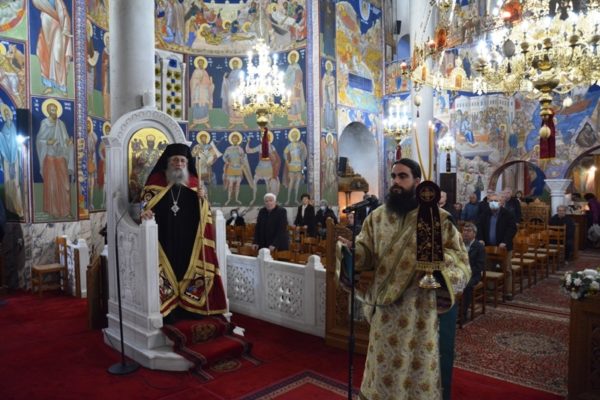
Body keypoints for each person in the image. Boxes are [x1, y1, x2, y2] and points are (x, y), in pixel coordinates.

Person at [337, 158, 470, 400]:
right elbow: (367, 252)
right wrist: (353, 252)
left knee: (416, 370)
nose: (396, 181)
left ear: (417, 182)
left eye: (403, 176)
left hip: (420, 310)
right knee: (382, 371)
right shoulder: (377, 217)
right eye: (394, 176)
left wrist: (437, 265)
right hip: (385, 312)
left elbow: (461, 260)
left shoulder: (438, 219)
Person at [140, 143, 227, 321]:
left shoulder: (195, 183)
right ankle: (169, 311)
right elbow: (145, 204)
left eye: (182, 160)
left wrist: (202, 200)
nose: (179, 164)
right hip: (163, 238)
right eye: (175, 160)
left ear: (187, 163)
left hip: (189, 240)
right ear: (168, 162)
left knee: (187, 269)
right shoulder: (155, 181)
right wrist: (144, 212)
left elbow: (204, 213)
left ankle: (191, 308)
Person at [36, 98, 74, 218]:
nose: (54, 112)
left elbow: (65, 140)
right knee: (52, 185)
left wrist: (69, 143)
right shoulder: (44, 123)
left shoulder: (61, 124)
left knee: (65, 184)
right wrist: (48, 142)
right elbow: (39, 140)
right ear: (48, 111)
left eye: (55, 109)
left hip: (61, 156)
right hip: (50, 157)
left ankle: (66, 211)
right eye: (52, 110)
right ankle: (53, 211)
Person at [476, 192, 517, 299]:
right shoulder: (485, 213)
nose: (493, 202)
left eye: (496, 200)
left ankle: (508, 292)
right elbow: (479, 226)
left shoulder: (507, 214)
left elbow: (512, 229)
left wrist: (505, 241)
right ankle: (490, 290)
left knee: (506, 269)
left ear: (501, 202)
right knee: (489, 268)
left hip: (504, 247)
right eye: (491, 201)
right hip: (489, 247)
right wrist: (480, 239)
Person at [32, 0, 73, 96]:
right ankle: (49, 85)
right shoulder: (41, 2)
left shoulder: (58, 1)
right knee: (46, 57)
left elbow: (65, 15)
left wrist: (66, 28)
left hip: (58, 29)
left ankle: (62, 86)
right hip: (46, 30)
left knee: (57, 55)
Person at [0, 102, 24, 217]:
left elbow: (15, 142)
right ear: (4, 116)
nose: (7, 115)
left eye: (8, 113)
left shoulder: (13, 127)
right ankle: (10, 206)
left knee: (16, 182)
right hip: (6, 158)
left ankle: (18, 207)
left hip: (14, 157)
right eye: (5, 114)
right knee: (8, 181)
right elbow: (3, 141)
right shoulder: (4, 128)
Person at [460, 222, 485, 319]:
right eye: (464, 230)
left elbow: (479, 266)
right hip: (459, 273)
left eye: (468, 231)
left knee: (467, 285)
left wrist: (467, 273)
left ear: (474, 234)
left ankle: (463, 313)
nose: (465, 233)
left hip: (474, 275)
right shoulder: (459, 244)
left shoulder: (479, 247)